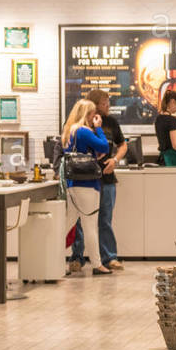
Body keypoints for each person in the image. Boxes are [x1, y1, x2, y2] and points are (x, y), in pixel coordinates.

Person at [70, 90, 128, 272]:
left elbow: (123, 145)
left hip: (107, 178)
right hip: (83, 178)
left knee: (105, 219)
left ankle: (109, 257)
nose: (108, 106)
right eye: (105, 103)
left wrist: (115, 160)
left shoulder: (111, 123)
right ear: (94, 105)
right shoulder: (79, 125)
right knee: (79, 220)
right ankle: (77, 257)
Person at [61, 98, 113, 277]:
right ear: (86, 114)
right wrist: (98, 128)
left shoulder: (69, 131)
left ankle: (51, 258)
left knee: (67, 224)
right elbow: (104, 145)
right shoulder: (83, 130)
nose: (94, 118)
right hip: (87, 185)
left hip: (73, 184)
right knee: (90, 225)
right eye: (92, 114)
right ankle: (98, 265)